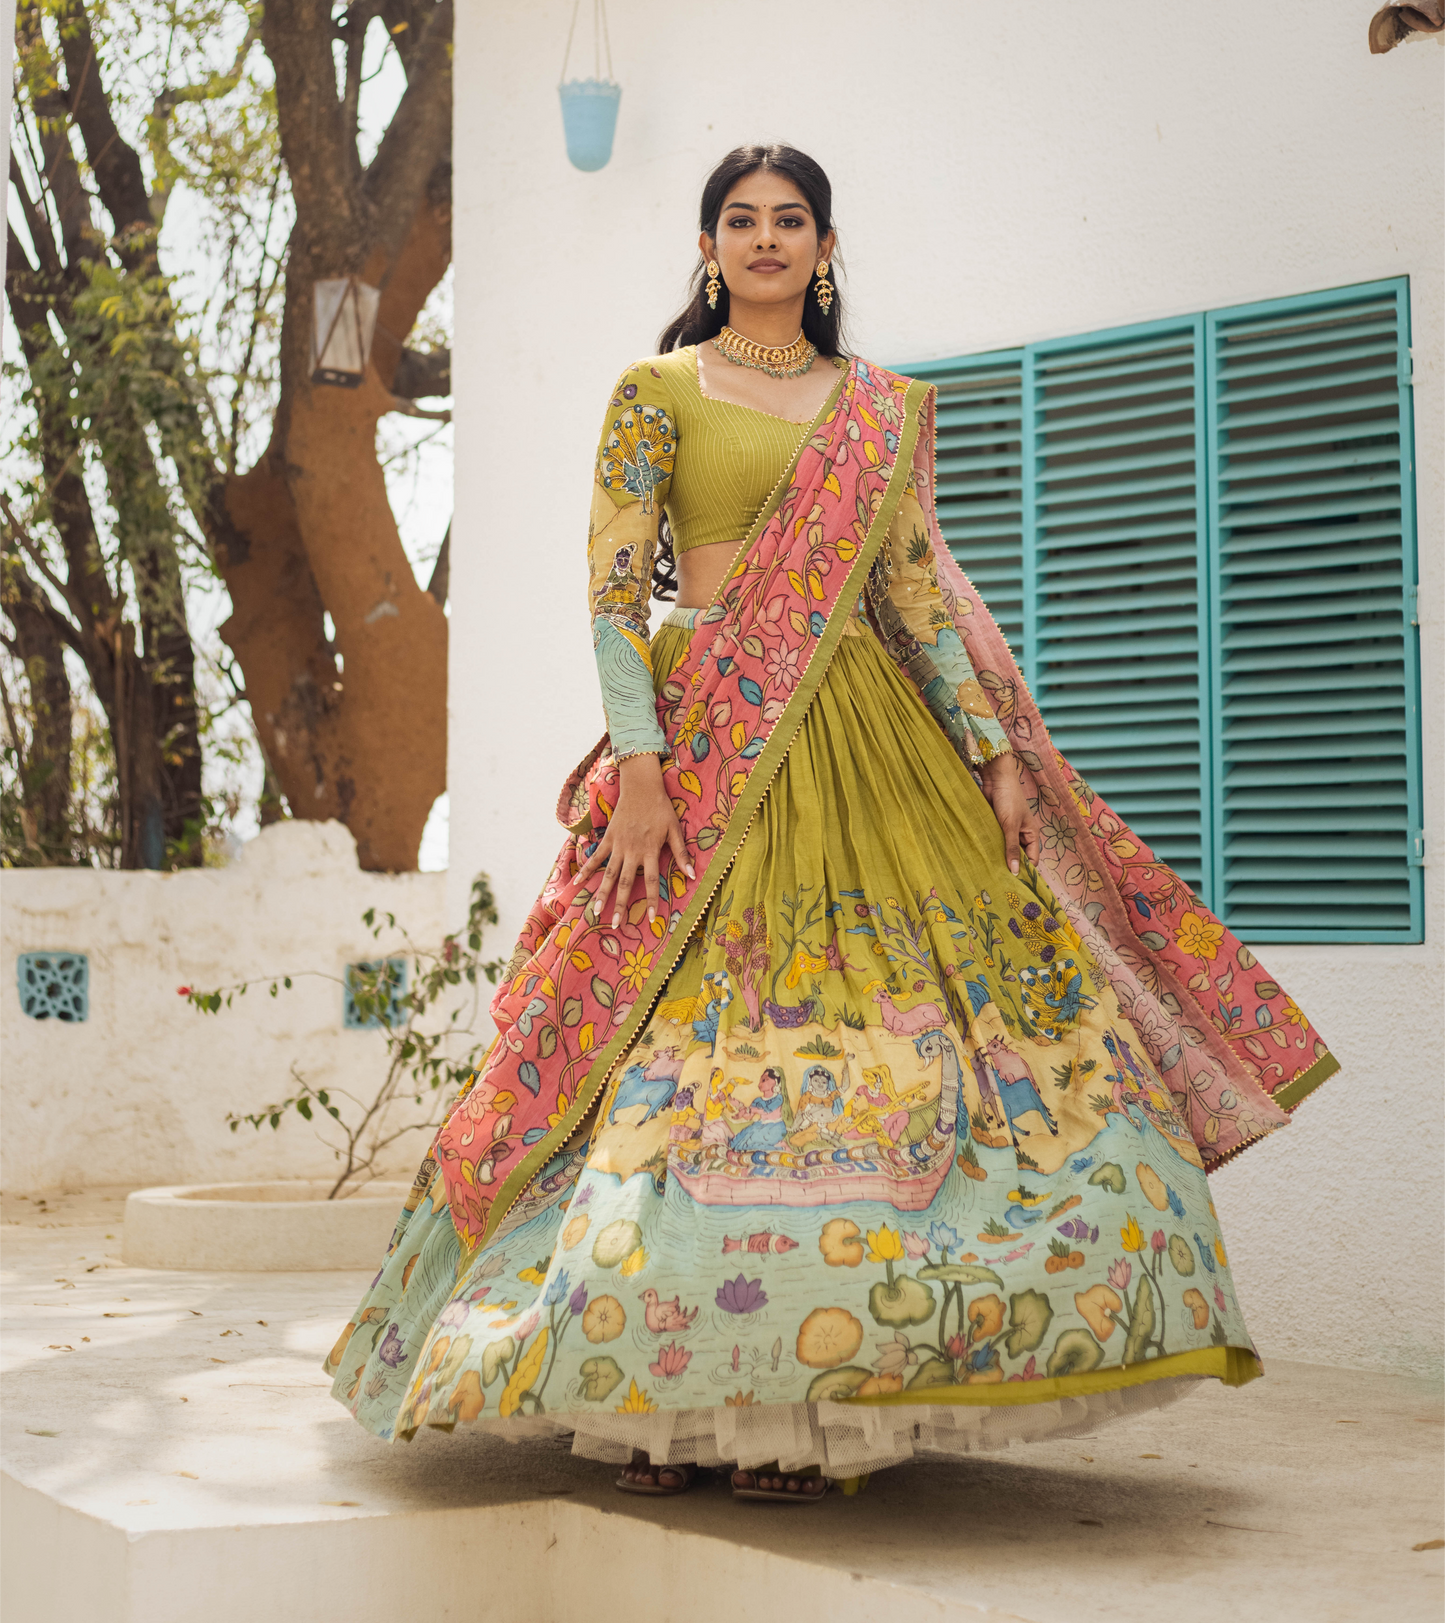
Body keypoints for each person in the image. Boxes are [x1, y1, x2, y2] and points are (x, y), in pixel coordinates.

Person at [328, 144, 1337, 1500]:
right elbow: (615, 594)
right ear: (707, 248)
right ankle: (644, 1398)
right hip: (703, 752)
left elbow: (914, 595)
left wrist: (990, 750)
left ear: (825, 245)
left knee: (890, 1049)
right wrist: (639, 767)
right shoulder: (658, 390)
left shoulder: (880, 409)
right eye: (738, 221)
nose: (763, 240)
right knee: (682, 1050)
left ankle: (805, 1417)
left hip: (872, 745)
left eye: (787, 220)